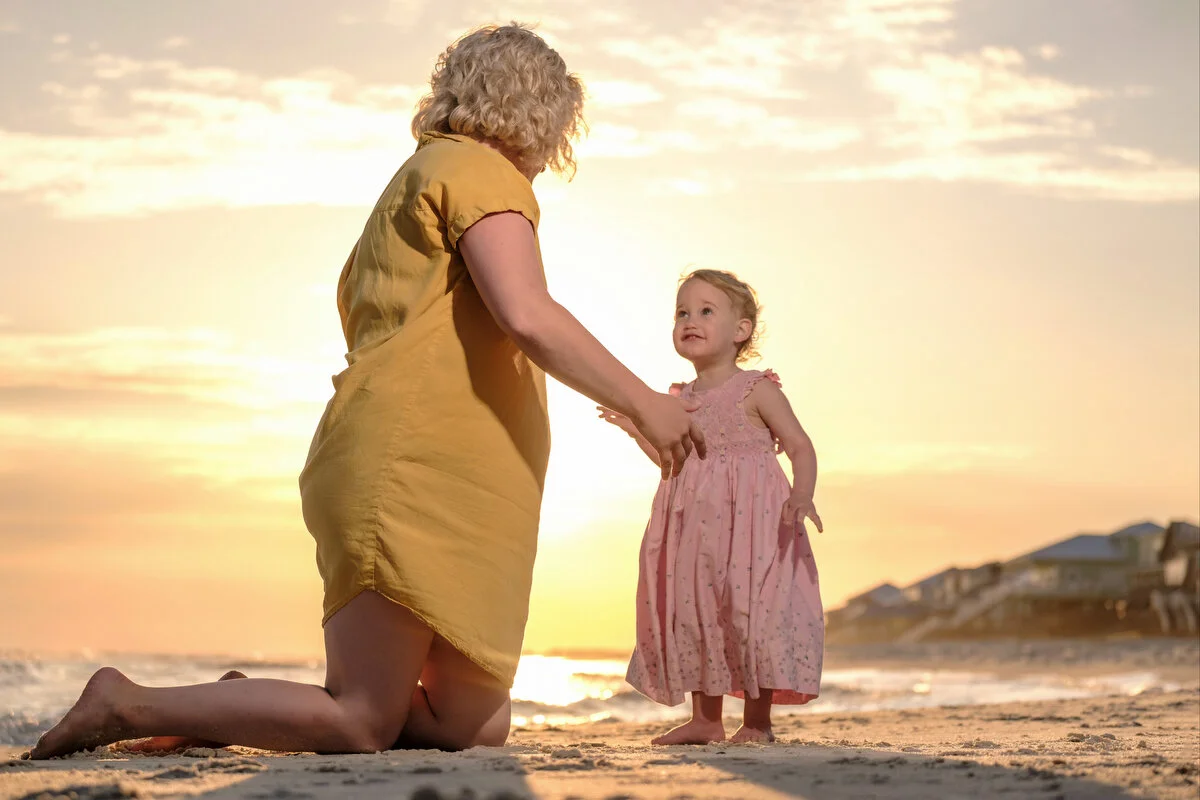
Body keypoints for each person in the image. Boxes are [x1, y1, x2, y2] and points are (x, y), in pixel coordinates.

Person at [28, 23, 704, 760]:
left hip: (450, 480)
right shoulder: (477, 171)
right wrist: (647, 401)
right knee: (361, 721)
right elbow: (528, 313)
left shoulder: (424, 178)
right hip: (410, 473)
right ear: (534, 110)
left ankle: (231, 705)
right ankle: (124, 702)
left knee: (470, 724)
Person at [598, 269, 824, 745]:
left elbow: (800, 446)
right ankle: (705, 719)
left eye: (705, 311)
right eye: (682, 312)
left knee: (751, 615)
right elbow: (670, 458)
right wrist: (634, 428)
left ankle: (757, 723)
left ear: (741, 331)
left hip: (755, 524)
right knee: (698, 612)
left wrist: (801, 495)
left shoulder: (756, 388)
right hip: (694, 528)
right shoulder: (677, 400)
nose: (689, 320)